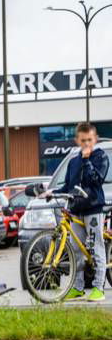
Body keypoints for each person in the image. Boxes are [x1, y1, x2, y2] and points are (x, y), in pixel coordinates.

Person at [44, 122, 109, 302]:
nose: (86, 143)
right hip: (76, 210)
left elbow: (96, 180)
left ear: (95, 139)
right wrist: (52, 192)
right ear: (77, 140)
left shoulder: (100, 157)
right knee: (75, 250)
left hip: (93, 209)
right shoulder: (73, 161)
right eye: (83, 140)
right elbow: (68, 185)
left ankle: (98, 288)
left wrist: (87, 160)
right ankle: (77, 287)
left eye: (90, 139)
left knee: (97, 247)